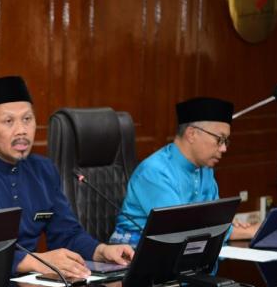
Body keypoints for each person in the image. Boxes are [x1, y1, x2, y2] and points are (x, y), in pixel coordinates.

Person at [0, 76, 134, 279]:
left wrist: (101, 251)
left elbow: (66, 234)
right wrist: (34, 261)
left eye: (27, 119)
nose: (22, 130)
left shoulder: (43, 171)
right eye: (9, 121)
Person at [110, 96, 259, 246]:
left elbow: (214, 222)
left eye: (226, 141)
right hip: (134, 252)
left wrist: (230, 226)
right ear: (192, 134)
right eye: (219, 139)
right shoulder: (155, 171)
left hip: (184, 250)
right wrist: (244, 232)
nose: (224, 148)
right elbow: (179, 230)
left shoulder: (205, 168)